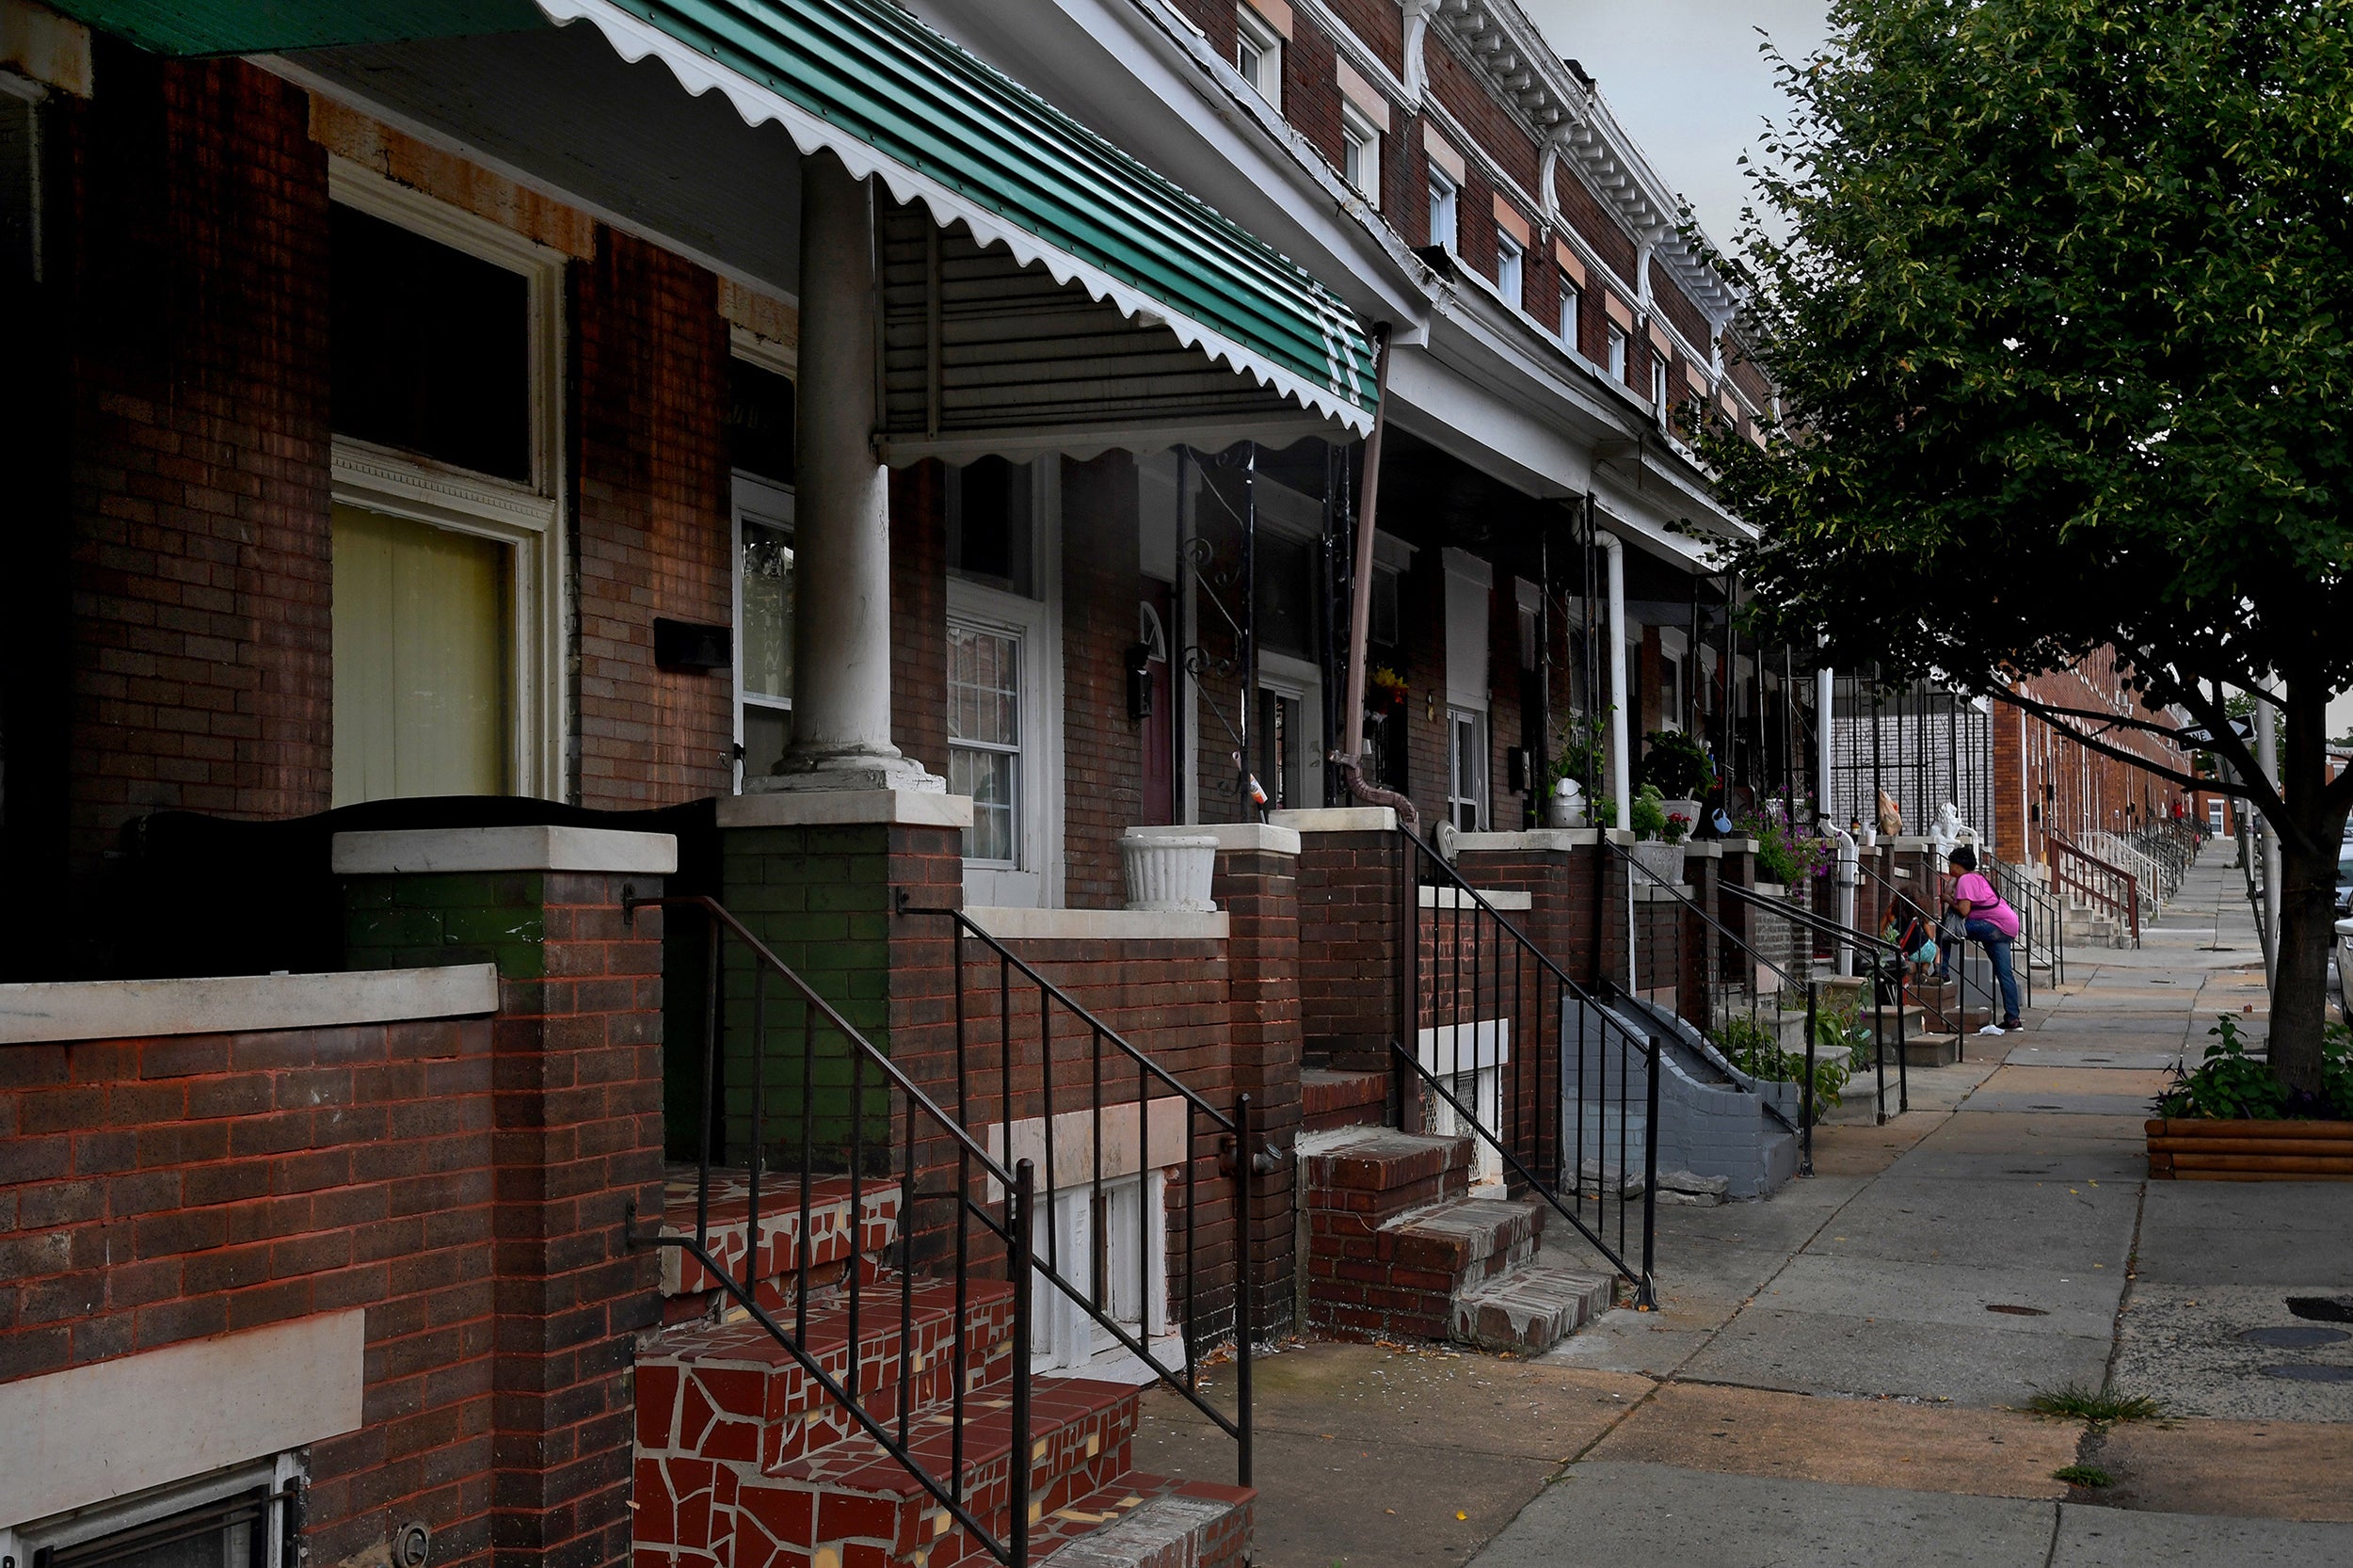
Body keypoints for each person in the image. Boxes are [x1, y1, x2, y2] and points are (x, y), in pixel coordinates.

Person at [1941, 844, 2023, 1032]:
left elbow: (1963, 910)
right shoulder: (1976, 877)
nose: (1949, 868)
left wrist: (1947, 900)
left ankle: (1943, 971)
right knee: (2004, 973)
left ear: (1958, 865)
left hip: (1993, 926)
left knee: (1946, 930)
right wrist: (1952, 883)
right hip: (2007, 926)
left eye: (1951, 864)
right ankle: (2013, 1019)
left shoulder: (1966, 880)